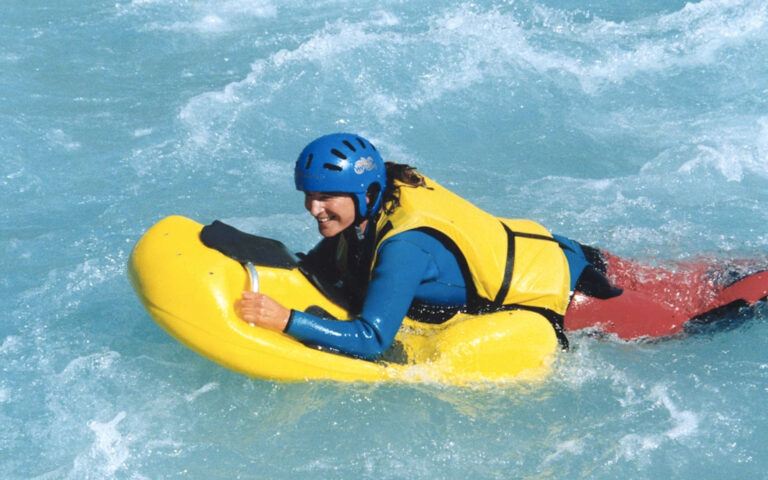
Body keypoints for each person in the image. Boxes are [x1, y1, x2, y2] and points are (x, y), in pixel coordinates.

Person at [236, 133, 768, 360]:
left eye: (329, 197)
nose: (314, 209)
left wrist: (285, 320)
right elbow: (332, 260)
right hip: (557, 251)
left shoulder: (403, 245)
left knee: (699, 321)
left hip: (572, 296)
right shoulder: (387, 192)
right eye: (309, 196)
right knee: (688, 279)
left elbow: (372, 339)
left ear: (368, 192)